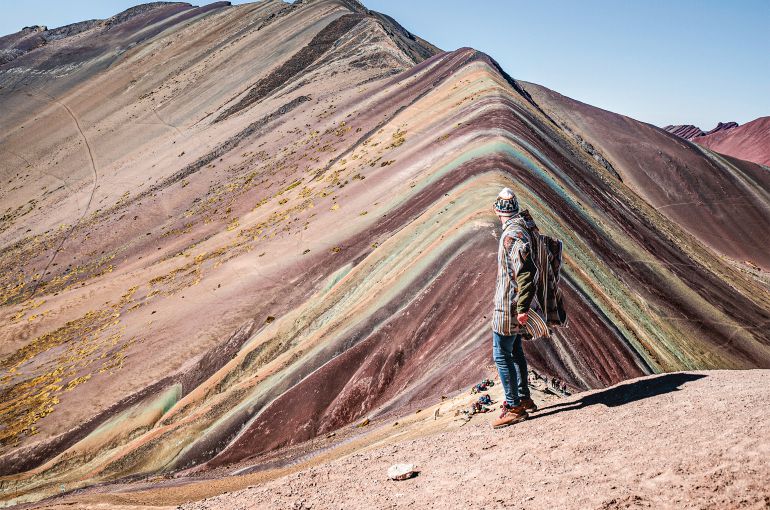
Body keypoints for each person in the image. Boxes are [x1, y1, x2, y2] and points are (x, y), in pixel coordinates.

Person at [490, 187, 538, 429]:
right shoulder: (521, 228)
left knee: (501, 354)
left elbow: (525, 271)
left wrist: (522, 307)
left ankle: (514, 405)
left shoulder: (512, 235)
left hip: (508, 304)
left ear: (499, 212)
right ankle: (524, 396)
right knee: (515, 349)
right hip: (513, 302)